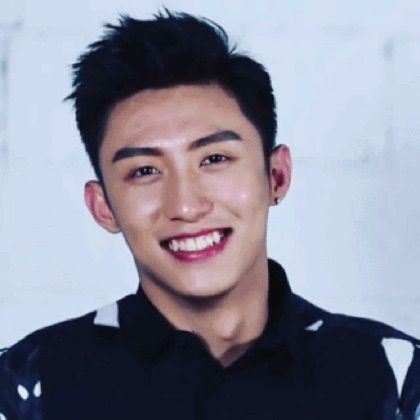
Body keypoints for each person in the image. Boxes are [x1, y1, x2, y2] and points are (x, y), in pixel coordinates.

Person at [0, 10, 419, 420]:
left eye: (215, 159)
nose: (186, 206)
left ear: (276, 176)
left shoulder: (397, 379)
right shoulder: (26, 385)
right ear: (103, 207)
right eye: (144, 171)